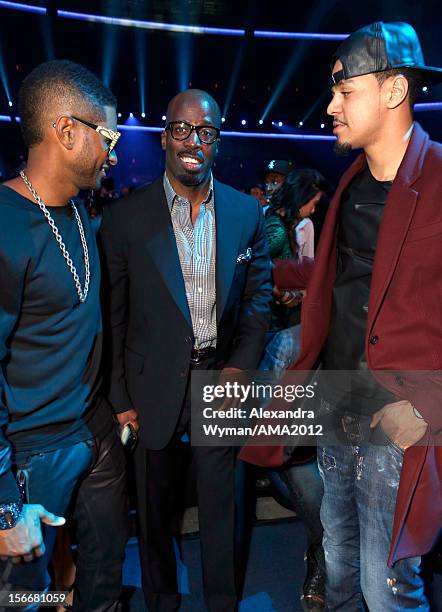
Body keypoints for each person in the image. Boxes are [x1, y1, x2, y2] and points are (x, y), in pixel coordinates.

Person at [242, 21, 442, 610]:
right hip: (337, 404)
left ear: (392, 91)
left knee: (389, 590)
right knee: (338, 570)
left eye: (343, 90)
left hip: (399, 420)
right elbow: (340, 275)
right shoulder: (349, 184)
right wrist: (253, 271)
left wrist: (429, 409)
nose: (330, 105)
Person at [99, 88, 272, 612]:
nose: (192, 141)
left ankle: (221, 603)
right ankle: (163, 603)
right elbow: (115, 316)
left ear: (217, 140)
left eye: (206, 131)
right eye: (181, 129)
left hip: (220, 383)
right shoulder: (127, 218)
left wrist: (242, 365)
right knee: (154, 518)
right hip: (151, 391)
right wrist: (120, 397)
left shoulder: (247, 213)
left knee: (224, 512)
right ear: (164, 137)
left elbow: (259, 300)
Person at [0, 60, 128, 611]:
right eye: (108, 135)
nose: (114, 151)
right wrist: (5, 507)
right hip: (29, 453)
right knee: (21, 598)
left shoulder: (78, 208)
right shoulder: (5, 227)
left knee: (101, 574)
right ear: (66, 130)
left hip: (90, 427)